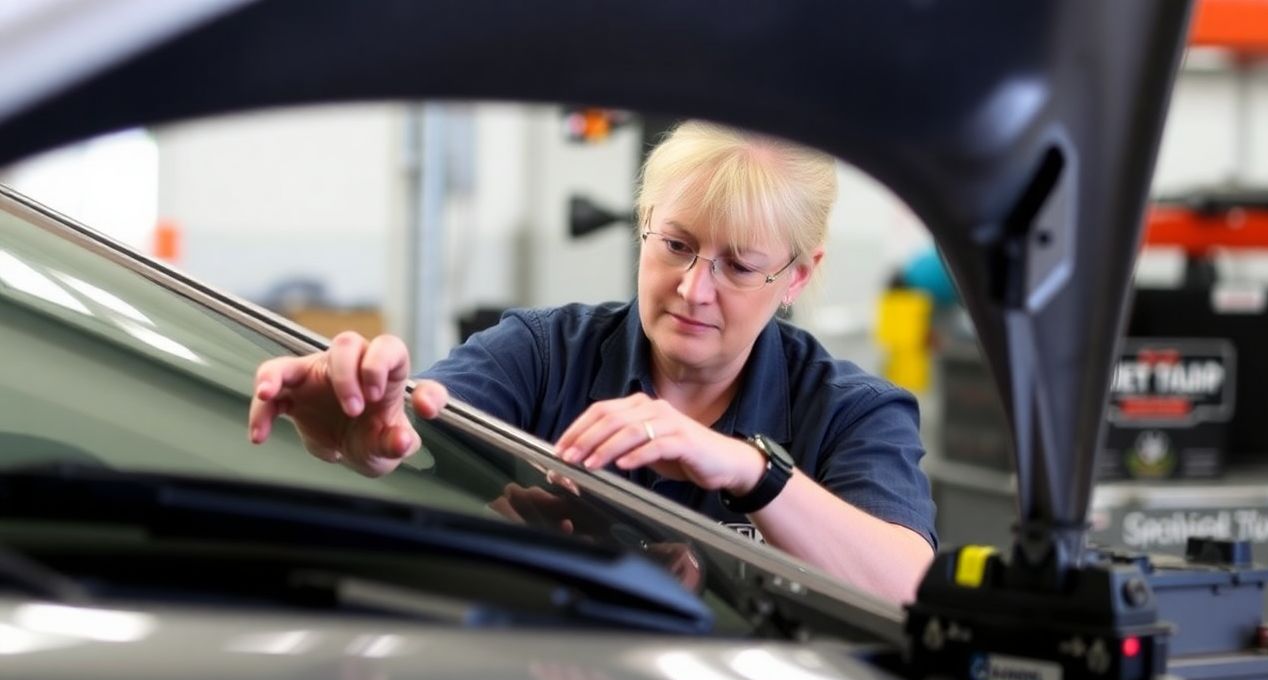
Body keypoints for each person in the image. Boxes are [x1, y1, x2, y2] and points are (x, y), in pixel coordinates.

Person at [248, 120, 936, 603]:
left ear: (797, 275)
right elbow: (411, 430)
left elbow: (906, 588)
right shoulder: (544, 355)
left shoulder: (850, 412)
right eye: (675, 245)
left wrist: (750, 471)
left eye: (738, 265)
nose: (695, 289)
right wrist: (364, 426)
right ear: (643, 220)